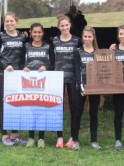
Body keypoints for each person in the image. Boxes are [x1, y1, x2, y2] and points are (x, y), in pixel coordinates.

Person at [0, 11, 27, 146]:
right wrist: (4, 66)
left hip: (18, 75)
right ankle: (4, 135)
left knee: (16, 103)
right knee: (4, 103)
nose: (9, 23)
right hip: (3, 74)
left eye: (11, 21)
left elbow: (25, 55)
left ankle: (14, 134)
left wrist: (24, 67)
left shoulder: (22, 37)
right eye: (6, 21)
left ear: (16, 21)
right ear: (3, 23)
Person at [50, 15, 82, 148]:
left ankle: (73, 138)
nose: (64, 28)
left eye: (66, 25)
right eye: (62, 26)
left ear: (70, 25)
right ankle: (59, 137)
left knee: (75, 109)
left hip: (73, 78)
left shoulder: (77, 41)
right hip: (58, 79)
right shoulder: (54, 41)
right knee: (58, 109)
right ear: (59, 27)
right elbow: (51, 60)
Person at [23, 23, 54, 148]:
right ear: (30, 32)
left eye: (39, 32)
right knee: (30, 110)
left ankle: (41, 138)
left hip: (43, 83)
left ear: (43, 33)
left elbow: (53, 64)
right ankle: (31, 137)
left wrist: (46, 67)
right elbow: (20, 62)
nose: (37, 34)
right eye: (34, 32)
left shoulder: (48, 47)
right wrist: (22, 68)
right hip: (28, 83)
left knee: (42, 109)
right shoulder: (25, 46)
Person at [72, 26, 102, 150]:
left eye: (90, 36)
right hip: (81, 86)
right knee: (77, 113)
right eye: (85, 36)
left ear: (93, 37)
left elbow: (104, 71)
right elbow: (77, 70)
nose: (87, 39)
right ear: (82, 37)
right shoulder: (78, 51)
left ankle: (94, 141)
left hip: (95, 87)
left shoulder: (99, 53)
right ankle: (74, 140)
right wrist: (81, 87)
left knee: (94, 114)